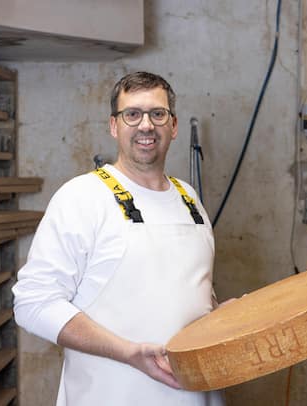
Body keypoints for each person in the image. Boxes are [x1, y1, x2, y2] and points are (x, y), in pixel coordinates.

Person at [12, 72, 225, 406]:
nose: (146, 125)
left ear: (173, 126)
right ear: (114, 126)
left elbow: (190, 293)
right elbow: (33, 303)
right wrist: (127, 353)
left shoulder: (189, 199)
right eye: (132, 114)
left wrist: (222, 315)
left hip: (198, 397)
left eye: (158, 114)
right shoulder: (82, 197)